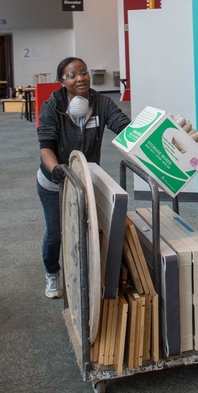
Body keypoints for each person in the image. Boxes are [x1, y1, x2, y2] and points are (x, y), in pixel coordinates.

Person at [35, 57, 130, 300]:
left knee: (87, 228)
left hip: (85, 180)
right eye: (72, 75)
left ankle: (85, 272)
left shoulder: (101, 103)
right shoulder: (52, 106)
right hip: (55, 181)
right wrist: (57, 169)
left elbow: (121, 125)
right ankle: (52, 273)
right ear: (62, 81)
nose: (80, 78)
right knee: (56, 232)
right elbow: (45, 147)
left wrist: (143, 133)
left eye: (84, 72)